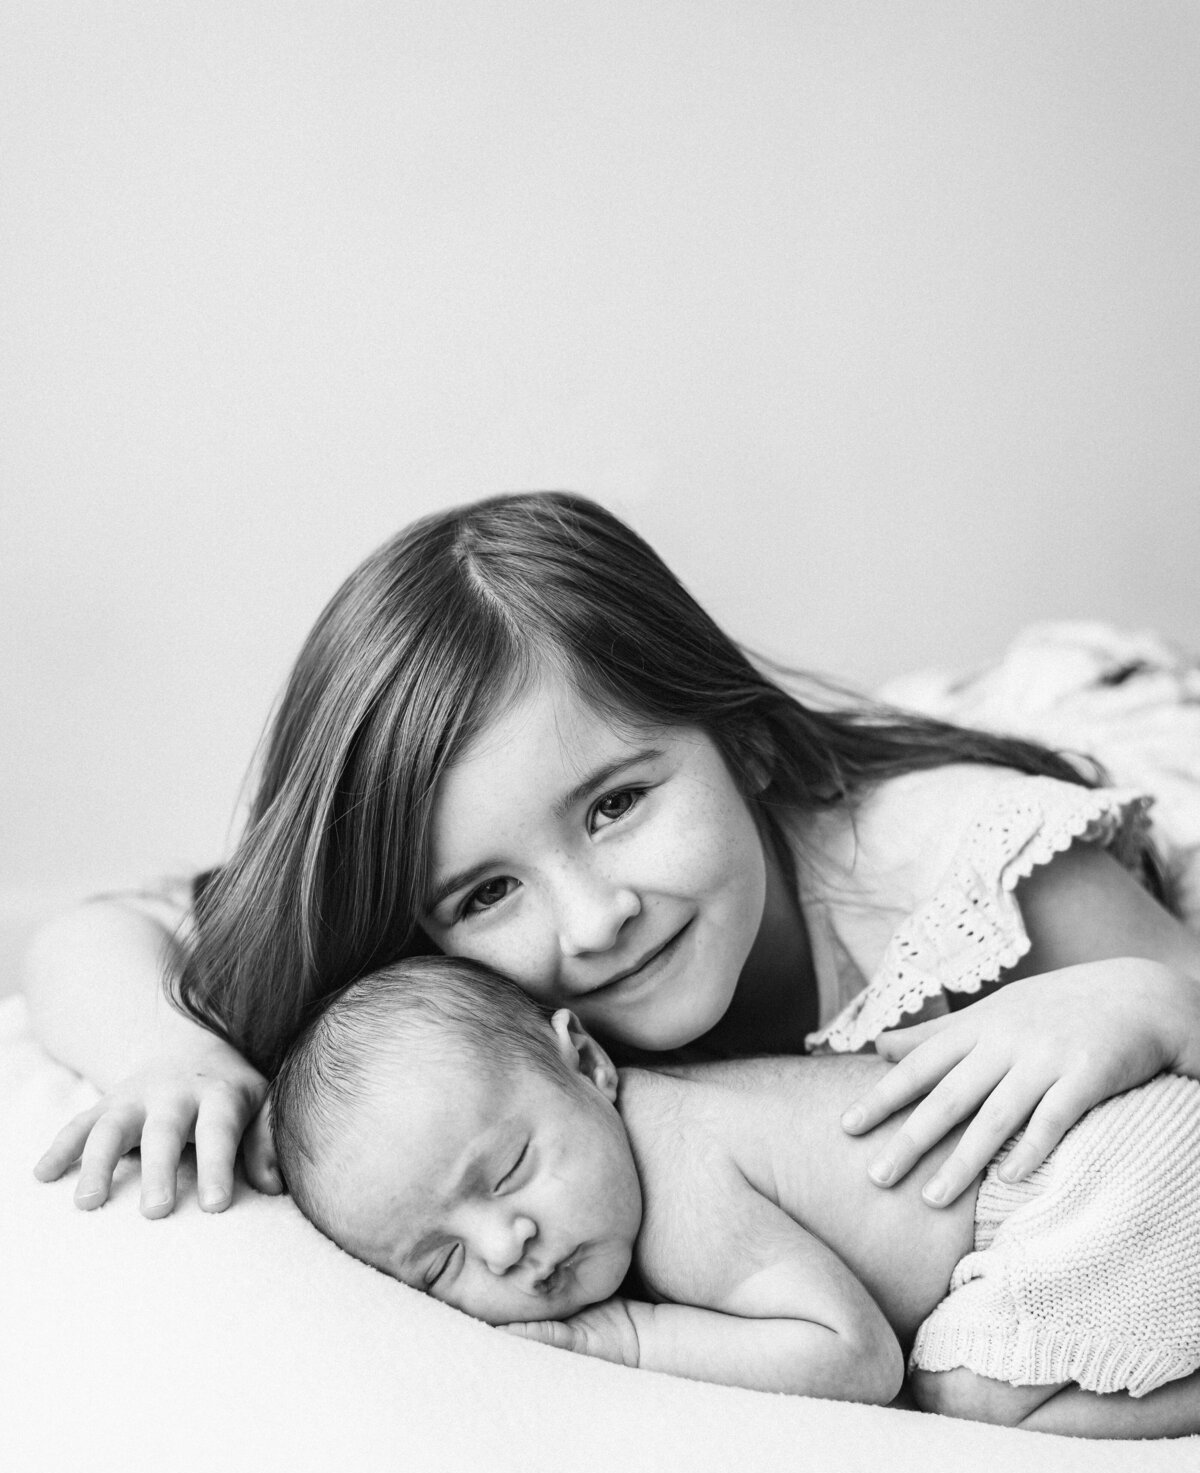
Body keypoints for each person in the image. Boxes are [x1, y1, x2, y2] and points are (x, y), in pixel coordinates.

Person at [25, 491, 1200, 1218]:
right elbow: (97, 930)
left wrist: (1145, 1002)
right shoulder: (439, 977)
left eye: (614, 807)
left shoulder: (993, 877)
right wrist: (162, 1055)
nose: (591, 923)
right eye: (488, 891)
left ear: (735, 739)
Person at [271, 956, 1200, 1439]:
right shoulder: (639, 1144)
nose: (506, 1244)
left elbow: (858, 1360)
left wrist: (626, 1340)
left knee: (964, 1392)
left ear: (588, 1063)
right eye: (440, 1264)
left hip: (1096, 1180)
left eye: (510, 1170)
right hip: (1098, 1160)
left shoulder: (678, 1184)